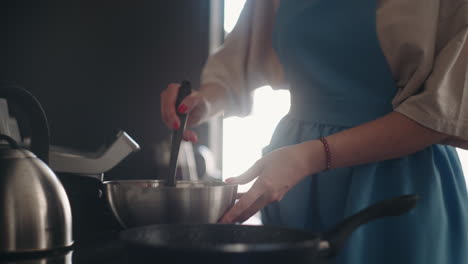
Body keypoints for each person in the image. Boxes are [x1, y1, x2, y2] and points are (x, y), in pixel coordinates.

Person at [160, 0, 468, 263]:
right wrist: (203, 101)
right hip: (295, 184)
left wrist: (309, 157)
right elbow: (236, 67)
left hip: (396, 180)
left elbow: (442, 111)